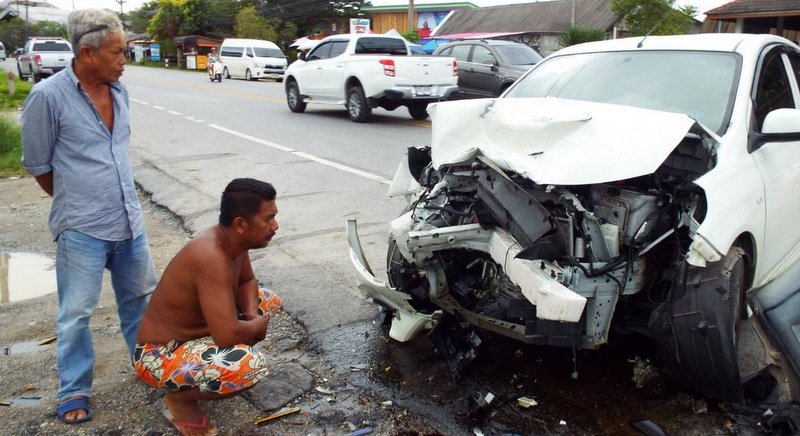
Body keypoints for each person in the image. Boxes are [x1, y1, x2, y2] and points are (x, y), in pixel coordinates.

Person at [20, 9, 158, 425]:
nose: (124, 60)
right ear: (86, 52)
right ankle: (74, 389)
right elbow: (39, 165)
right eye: (118, 52)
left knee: (140, 302)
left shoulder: (120, 92)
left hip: (129, 222)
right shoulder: (47, 97)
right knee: (76, 313)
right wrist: (78, 204)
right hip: (82, 229)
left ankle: (148, 369)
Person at [135, 178, 283, 436]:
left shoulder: (234, 241)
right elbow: (225, 335)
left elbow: (247, 280)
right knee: (249, 367)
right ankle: (180, 400)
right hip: (159, 354)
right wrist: (255, 325)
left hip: (197, 335)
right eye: (268, 219)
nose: (275, 226)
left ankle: (205, 373)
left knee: (267, 300)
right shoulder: (211, 256)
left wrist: (250, 313)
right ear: (240, 224)